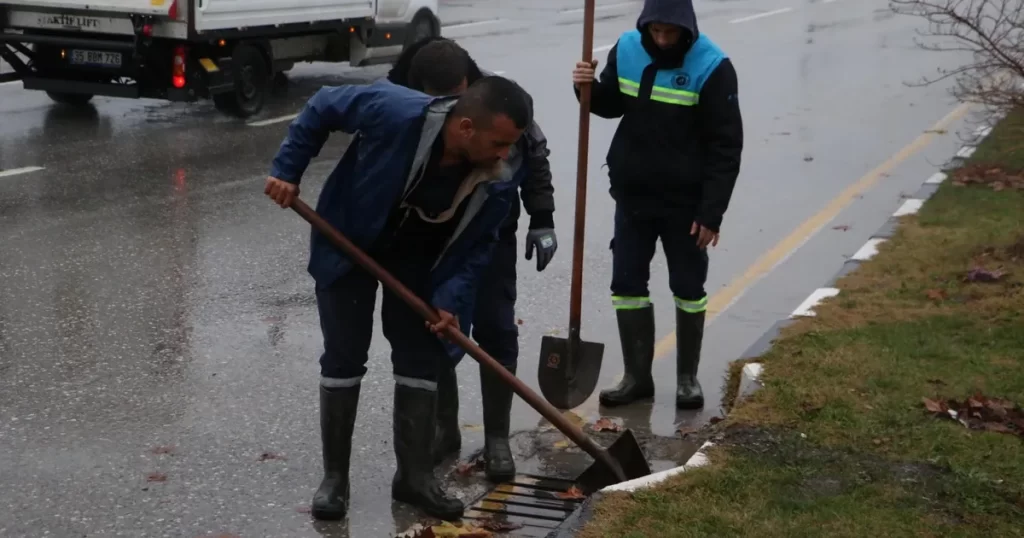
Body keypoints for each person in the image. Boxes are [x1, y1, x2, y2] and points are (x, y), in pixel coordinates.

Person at [264, 75, 533, 521]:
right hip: (348, 240)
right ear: (466, 127)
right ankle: (335, 479)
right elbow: (324, 104)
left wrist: (450, 298)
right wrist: (287, 170)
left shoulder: (497, 174)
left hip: (420, 263)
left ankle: (413, 477)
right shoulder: (393, 109)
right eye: (498, 142)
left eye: (511, 145)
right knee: (344, 357)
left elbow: (478, 246)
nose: (505, 154)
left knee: (420, 359)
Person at [387, 38, 557, 482]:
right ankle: (445, 428)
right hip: (435, 239)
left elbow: (534, 154)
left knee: (497, 327)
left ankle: (497, 438)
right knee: (438, 326)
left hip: (492, 231)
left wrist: (543, 216)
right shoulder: (409, 106)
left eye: (457, 91)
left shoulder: (498, 101)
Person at [570, 0, 743, 409]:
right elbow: (611, 105)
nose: (662, 40)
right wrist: (585, 87)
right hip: (632, 196)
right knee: (627, 286)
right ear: (645, 25)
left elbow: (726, 147)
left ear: (687, 29)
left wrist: (711, 213)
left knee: (687, 287)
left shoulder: (714, 67)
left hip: (687, 205)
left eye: (671, 33)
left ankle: (687, 378)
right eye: (656, 31)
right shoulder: (627, 47)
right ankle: (637, 377)